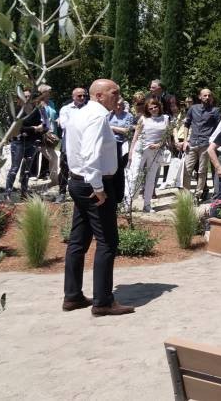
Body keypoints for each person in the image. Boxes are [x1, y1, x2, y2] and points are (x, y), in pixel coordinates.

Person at [62, 79, 134, 316]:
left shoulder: (79, 114)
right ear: (99, 95)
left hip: (78, 181)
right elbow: (89, 154)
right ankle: (103, 302)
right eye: (114, 93)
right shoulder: (97, 117)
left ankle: (72, 296)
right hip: (94, 185)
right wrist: (98, 187)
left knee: (78, 240)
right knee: (107, 242)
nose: (118, 97)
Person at [124, 96, 170, 213]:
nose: (154, 109)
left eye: (155, 107)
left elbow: (166, 137)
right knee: (134, 175)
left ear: (159, 106)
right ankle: (128, 203)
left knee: (151, 178)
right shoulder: (143, 119)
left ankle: (147, 205)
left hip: (155, 151)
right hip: (140, 149)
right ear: (147, 109)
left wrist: (158, 145)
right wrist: (130, 152)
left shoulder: (165, 118)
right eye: (151, 108)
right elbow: (135, 137)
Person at [3, 88, 45, 200]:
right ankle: (7, 194)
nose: (27, 98)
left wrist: (40, 128)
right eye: (24, 96)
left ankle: (24, 192)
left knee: (27, 169)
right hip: (18, 142)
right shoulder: (16, 111)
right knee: (14, 168)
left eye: (29, 96)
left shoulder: (35, 110)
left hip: (32, 142)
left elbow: (42, 125)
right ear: (19, 98)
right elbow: (17, 128)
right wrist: (34, 128)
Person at [183, 88, 220, 200]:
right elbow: (186, 124)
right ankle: (185, 195)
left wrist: (214, 143)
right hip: (192, 143)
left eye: (209, 95)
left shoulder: (215, 111)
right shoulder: (193, 108)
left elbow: (219, 128)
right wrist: (185, 141)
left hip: (206, 144)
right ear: (200, 97)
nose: (207, 97)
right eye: (205, 95)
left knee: (202, 171)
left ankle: (197, 195)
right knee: (187, 169)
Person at [55, 86, 88, 201]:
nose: (82, 97)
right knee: (64, 167)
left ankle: (81, 192)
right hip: (68, 141)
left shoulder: (88, 109)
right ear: (73, 97)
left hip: (84, 141)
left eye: (84, 95)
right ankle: (62, 193)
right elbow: (64, 125)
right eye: (79, 96)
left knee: (84, 166)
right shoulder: (66, 109)